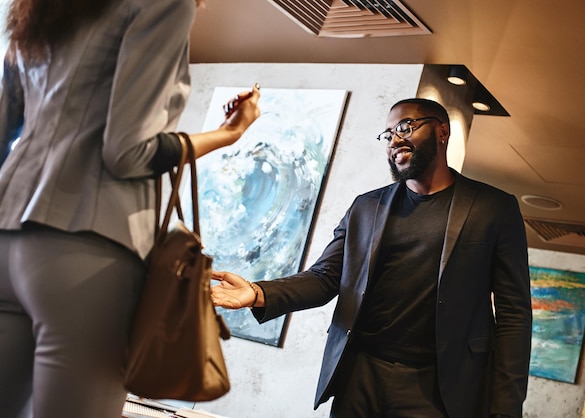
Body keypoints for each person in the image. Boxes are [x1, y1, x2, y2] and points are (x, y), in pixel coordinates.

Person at [0, 0, 260, 417]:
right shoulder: (162, 4)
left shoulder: (37, 8)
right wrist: (229, 134)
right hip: (86, 247)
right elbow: (128, 152)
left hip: (6, 240)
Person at [211, 98, 532, 418]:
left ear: (442, 131)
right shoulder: (366, 207)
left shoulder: (493, 209)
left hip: (438, 387)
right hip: (359, 374)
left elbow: (513, 316)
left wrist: (505, 409)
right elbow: (325, 278)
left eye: (406, 126)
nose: (395, 139)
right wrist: (257, 293)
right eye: (388, 133)